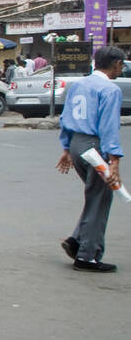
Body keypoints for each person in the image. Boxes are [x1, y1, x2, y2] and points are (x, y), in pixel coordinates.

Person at [56, 46, 126, 273]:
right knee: (100, 199)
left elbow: (65, 117)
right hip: (95, 148)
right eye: (121, 65)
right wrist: (114, 160)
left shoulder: (78, 85)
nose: (121, 69)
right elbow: (109, 128)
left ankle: (77, 240)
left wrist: (66, 148)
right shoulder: (110, 90)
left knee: (94, 196)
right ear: (115, 64)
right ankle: (88, 256)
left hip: (77, 145)